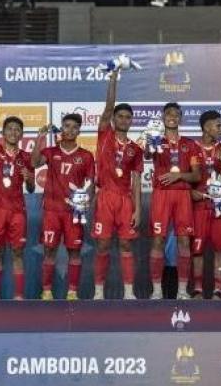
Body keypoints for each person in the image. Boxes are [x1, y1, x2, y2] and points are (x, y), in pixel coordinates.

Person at [91, 70, 143, 300]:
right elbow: (109, 105)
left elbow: (137, 180)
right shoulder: (104, 135)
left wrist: (138, 208)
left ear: (132, 121)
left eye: (127, 117)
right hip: (105, 198)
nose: (123, 120)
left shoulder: (136, 149)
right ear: (113, 119)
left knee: (125, 246)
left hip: (125, 200)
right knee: (102, 246)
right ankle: (99, 293)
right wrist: (113, 80)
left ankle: (129, 293)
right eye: (120, 116)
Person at [32, 114, 94, 300]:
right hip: (51, 210)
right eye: (66, 126)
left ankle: (73, 292)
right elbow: (34, 163)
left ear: (79, 131)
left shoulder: (86, 156)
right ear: (61, 128)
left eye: (74, 127)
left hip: (73, 212)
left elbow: (90, 183)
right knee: (49, 250)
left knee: (74, 251)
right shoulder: (51, 152)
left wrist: (85, 202)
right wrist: (40, 138)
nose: (70, 130)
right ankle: (47, 291)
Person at [0, 98, 35, 300]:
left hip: (18, 211)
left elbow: (30, 188)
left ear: (21, 134)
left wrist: (29, 179)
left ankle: (19, 297)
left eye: (17, 129)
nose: (13, 132)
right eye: (9, 129)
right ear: (3, 133)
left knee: (18, 253)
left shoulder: (27, 157)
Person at [146, 102, 201, 300]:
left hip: (182, 195)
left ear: (181, 118)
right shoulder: (157, 141)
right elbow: (146, 154)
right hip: (161, 194)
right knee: (158, 239)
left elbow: (196, 176)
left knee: (184, 240)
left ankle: (182, 290)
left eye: (176, 114)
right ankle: (157, 291)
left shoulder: (190, 144)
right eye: (168, 114)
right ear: (163, 117)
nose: (172, 117)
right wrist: (150, 140)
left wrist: (178, 176)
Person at [191, 110, 221, 299]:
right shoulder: (191, 147)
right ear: (207, 127)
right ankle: (198, 290)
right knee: (196, 250)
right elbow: (185, 175)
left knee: (219, 250)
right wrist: (191, 193)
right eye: (219, 125)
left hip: (218, 208)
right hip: (198, 207)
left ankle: (218, 290)